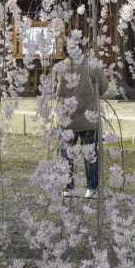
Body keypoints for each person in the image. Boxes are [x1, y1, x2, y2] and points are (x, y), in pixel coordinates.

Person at [52, 50, 109, 198]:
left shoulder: (59, 67)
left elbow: (56, 91)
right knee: (90, 152)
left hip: (67, 117)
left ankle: (67, 187)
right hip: (88, 117)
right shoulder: (93, 65)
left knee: (66, 153)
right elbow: (104, 88)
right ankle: (92, 188)